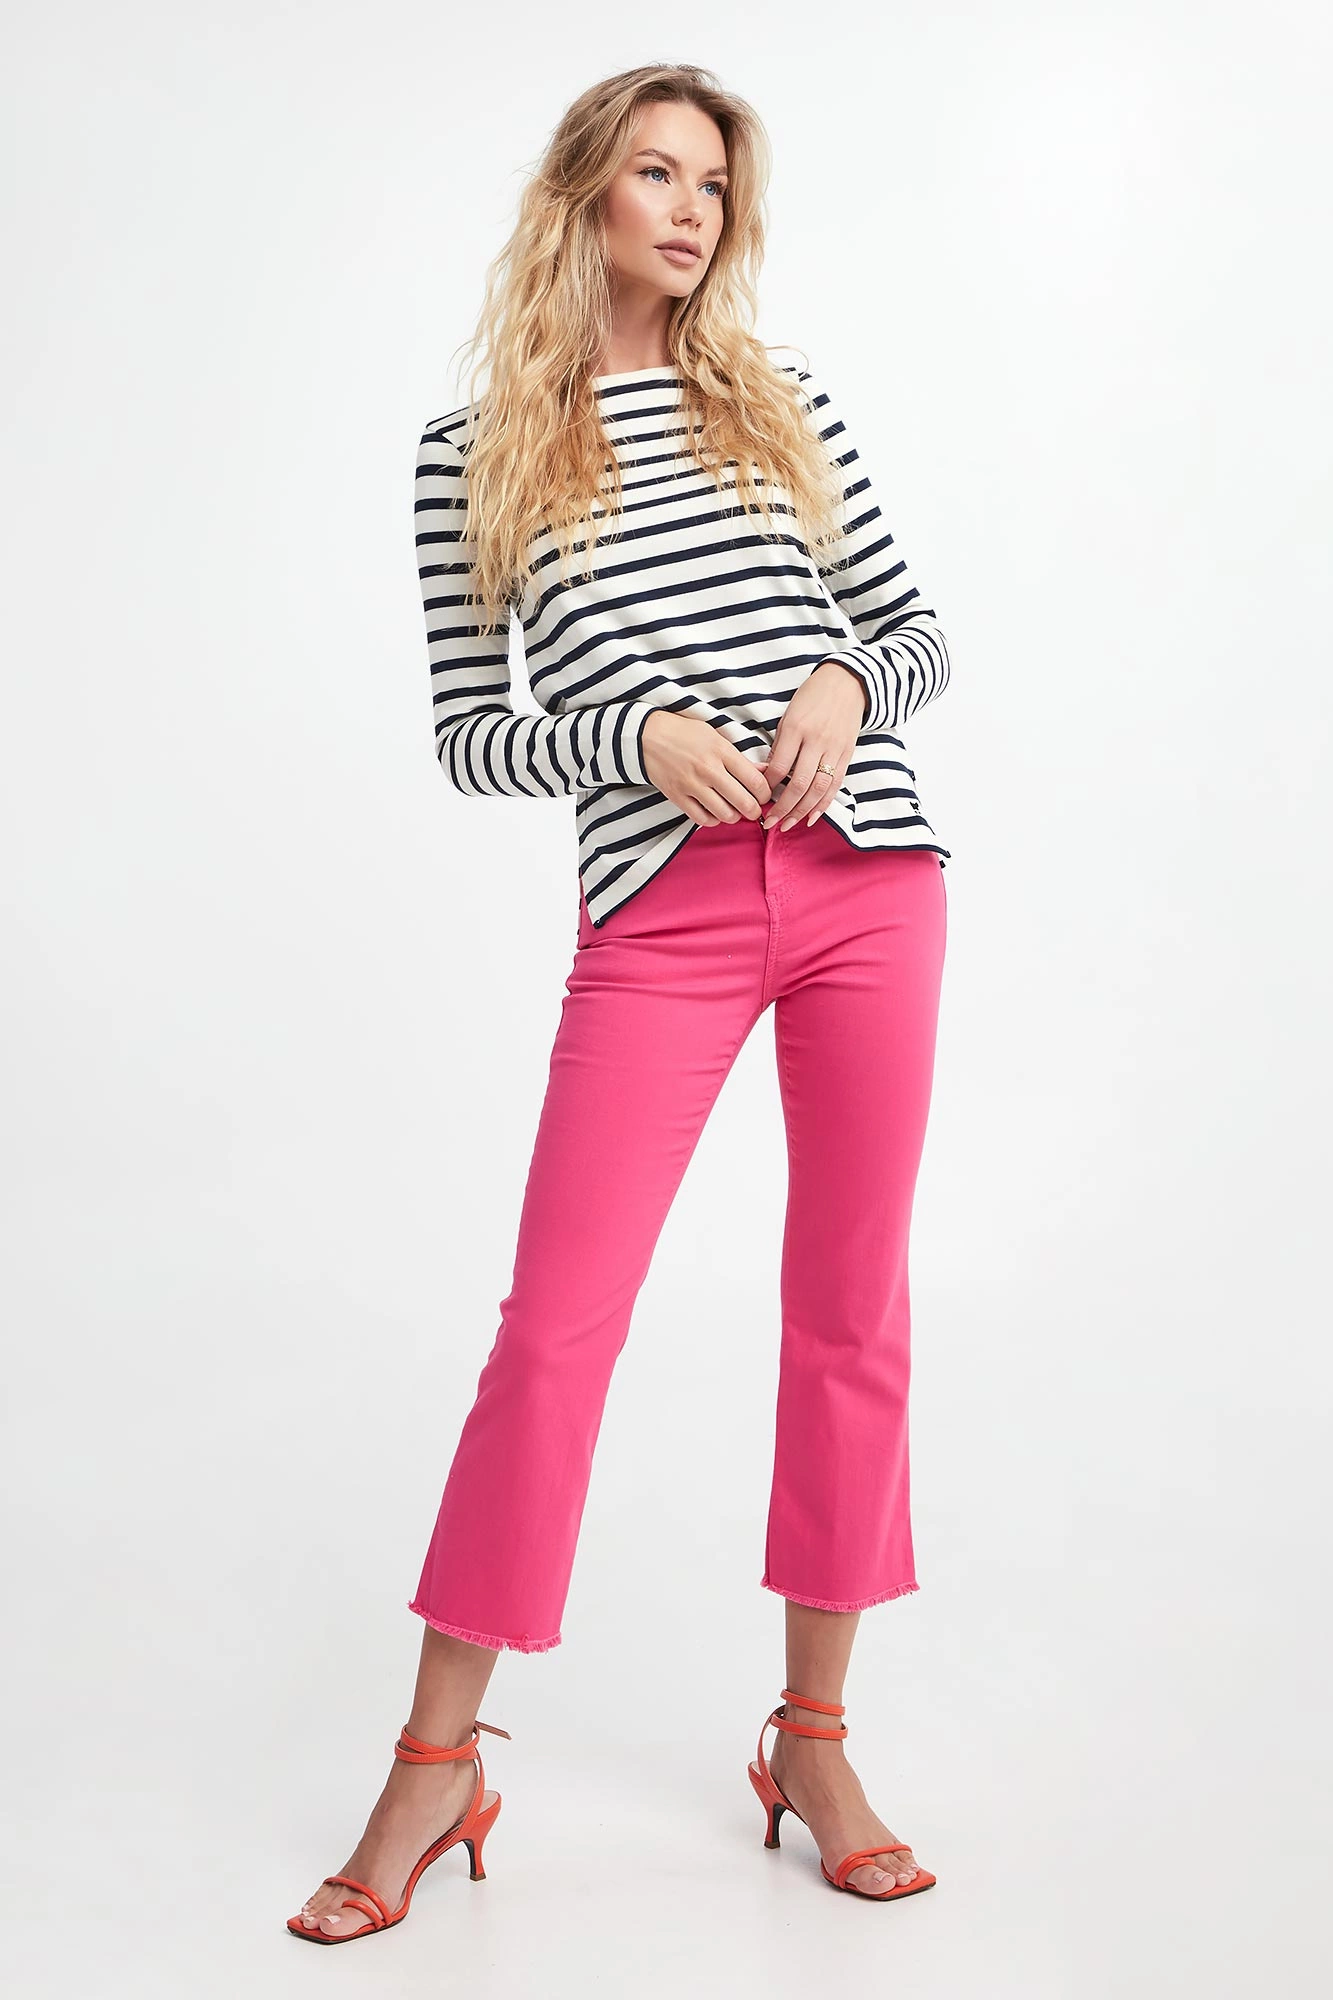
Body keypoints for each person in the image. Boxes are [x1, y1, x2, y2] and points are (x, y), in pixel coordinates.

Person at [289, 62, 952, 1944]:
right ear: (581, 196)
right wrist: (633, 737)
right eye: (655, 175)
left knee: (849, 1313)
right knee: (554, 1332)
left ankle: (813, 1742)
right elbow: (469, 734)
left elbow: (915, 631)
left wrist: (846, 688)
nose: (689, 211)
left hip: (870, 883)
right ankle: (437, 1761)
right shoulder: (476, 451)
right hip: (662, 913)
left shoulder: (782, 404)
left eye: (714, 186)